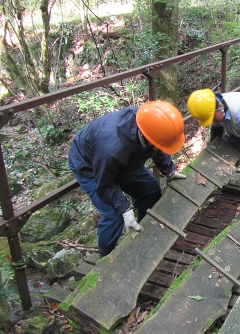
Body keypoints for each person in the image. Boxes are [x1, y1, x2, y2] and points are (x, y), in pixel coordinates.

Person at [68, 101, 186, 257]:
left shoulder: (150, 122)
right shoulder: (110, 149)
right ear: (146, 139)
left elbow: (160, 145)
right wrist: (124, 209)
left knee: (150, 190)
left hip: (127, 156)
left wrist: (169, 170)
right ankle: (105, 257)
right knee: (113, 216)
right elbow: (105, 184)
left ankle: (144, 230)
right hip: (90, 166)